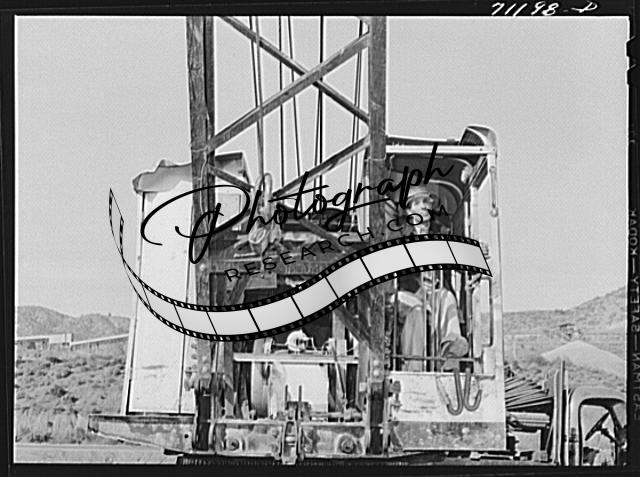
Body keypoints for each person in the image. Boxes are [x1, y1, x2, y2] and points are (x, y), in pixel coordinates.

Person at [396, 184, 468, 371]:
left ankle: (450, 348)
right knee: (417, 310)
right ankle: (414, 366)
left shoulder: (442, 232)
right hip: (408, 292)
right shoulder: (399, 234)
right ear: (409, 210)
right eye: (417, 203)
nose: (423, 206)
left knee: (448, 298)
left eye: (426, 202)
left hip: (434, 290)